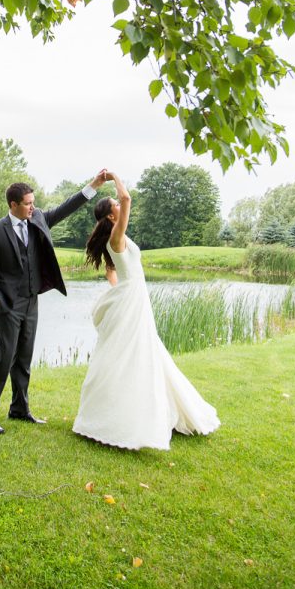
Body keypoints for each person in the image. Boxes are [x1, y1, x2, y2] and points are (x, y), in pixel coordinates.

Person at [73, 173, 220, 451]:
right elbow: (128, 197)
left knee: (144, 352)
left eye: (116, 202)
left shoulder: (118, 238)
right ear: (111, 217)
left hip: (133, 298)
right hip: (132, 300)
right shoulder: (116, 235)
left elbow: (112, 271)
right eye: (113, 204)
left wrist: (120, 289)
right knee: (131, 355)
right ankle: (119, 418)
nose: (119, 203)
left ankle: (159, 410)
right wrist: (113, 177)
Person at [0, 169, 108, 433]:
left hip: (31, 302)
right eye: (27, 203)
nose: (32, 207)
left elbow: (67, 207)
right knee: (3, 358)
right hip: (7, 305)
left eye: (32, 202)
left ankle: (19, 410)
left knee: (23, 358)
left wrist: (94, 185)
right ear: (13, 205)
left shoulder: (38, 219)